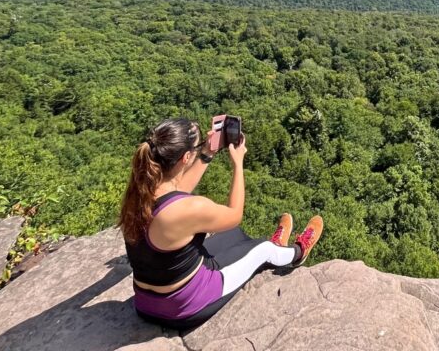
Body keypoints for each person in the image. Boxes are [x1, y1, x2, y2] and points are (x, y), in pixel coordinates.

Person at [118, 117, 323, 329]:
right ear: (186, 157)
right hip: (183, 307)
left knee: (235, 236)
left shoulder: (138, 193)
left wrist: (207, 153)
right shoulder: (190, 209)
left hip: (145, 304)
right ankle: (297, 252)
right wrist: (238, 163)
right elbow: (234, 214)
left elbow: (176, 195)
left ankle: (272, 250)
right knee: (263, 249)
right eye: (197, 147)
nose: (199, 150)